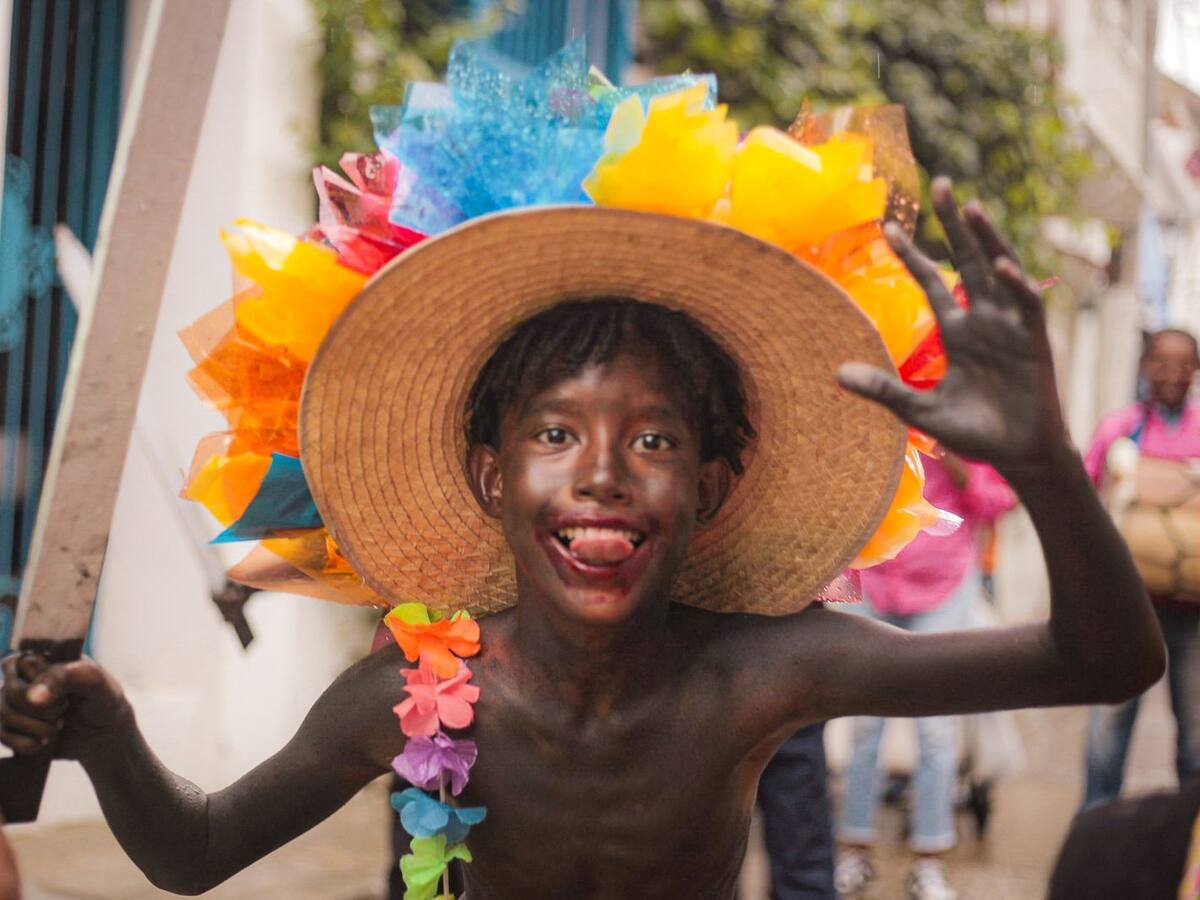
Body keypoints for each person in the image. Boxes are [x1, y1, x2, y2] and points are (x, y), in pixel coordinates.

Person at [0, 174, 1166, 898]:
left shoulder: (767, 667)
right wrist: (107, 736)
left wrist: (1044, 461)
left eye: (653, 443)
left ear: (710, 491)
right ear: (488, 474)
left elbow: (1108, 662)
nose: (602, 479)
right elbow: (194, 852)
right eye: (555, 433)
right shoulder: (419, 685)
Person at [833, 454, 1013, 900]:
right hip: (871, 580)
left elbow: (997, 500)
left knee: (937, 731)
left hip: (944, 587)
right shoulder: (874, 411)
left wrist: (950, 458)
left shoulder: (961, 417)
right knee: (863, 726)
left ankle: (929, 862)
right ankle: (854, 852)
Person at [1082, 328, 1200, 809]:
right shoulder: (1119, 429)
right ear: (1143, 365)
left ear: (1196, 371)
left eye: (1182, 364)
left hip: (1192, 614)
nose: (1170, 374)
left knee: (1195, 738)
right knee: (1107, 739)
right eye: (1159, 362)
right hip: (1124, 612)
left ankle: (1189, 848)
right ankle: (1093, 839)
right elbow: (1085, 502)